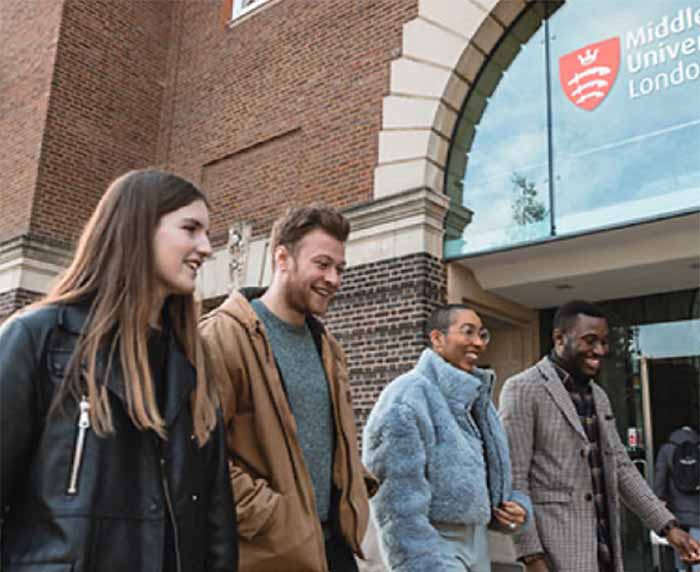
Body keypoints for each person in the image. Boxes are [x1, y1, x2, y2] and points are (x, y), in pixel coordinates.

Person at [0, 169, 238, 572]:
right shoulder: (39, 338)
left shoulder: (192, 364)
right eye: (190, 228)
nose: (205, 247)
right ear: (138, 228)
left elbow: (216, 520)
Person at [199, 205, 375, 572]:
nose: (334, 279)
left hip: (334, 548)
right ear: (282, 257)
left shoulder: (328, 346)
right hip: (268, 551)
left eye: (340, 268)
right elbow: (200, 453)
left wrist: (355, 483)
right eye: (322, 264)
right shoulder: (222, 336)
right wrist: (272, 516)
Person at [499, 300, 700, 572]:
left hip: (605, 552)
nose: (600, 351)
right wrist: (531, 556)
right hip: (556, 555)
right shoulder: (523, 389)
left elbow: (622, 469)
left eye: (604, 342)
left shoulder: (599, 396)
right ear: (559, 338)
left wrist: (668, 527)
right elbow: (514, 480)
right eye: (590, 340)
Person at [362, 303, 532, 572]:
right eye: (468, 332)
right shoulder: (406, 398)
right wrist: (419, 562)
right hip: (433, 544)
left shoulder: (479, 400)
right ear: (437, 339)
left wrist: (514, 507)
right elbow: (394, 500)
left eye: (482, 334)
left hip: (478, 541)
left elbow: (495, 471)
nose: (478, 342)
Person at [655, 425, 700, 572]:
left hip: (676, 509)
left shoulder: (667, 449)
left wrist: (660, 499)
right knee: (697, 553)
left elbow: (660, 477)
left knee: (679, 545)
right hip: (697, 511)